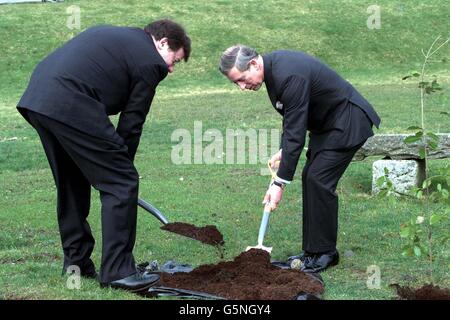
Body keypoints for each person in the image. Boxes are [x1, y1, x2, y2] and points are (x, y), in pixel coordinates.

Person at [17, 19, 191, 291]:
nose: (170, 69)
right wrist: (121, 170)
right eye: (175, 60)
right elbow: (132, 123)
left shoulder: (118, 36)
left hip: (39, 98)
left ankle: (77, 264)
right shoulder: (150, 61)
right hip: (71, 100)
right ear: (163, 42)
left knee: (72, 182)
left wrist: (110, 166)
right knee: (121, 183)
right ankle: (118, 272)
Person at [219, 45, 380, 273]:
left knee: (318, 179)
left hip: (347, 121)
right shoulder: (274, 72)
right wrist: (285, 150)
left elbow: (296, 132)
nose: (242, 87)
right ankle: (313, 252)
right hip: (328, 125)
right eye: (236, 83)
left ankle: (325, 254)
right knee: (311, 177)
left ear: (254, 64)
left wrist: (279, 183)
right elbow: (293, 117)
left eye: (242, 79)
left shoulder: (287, 74)